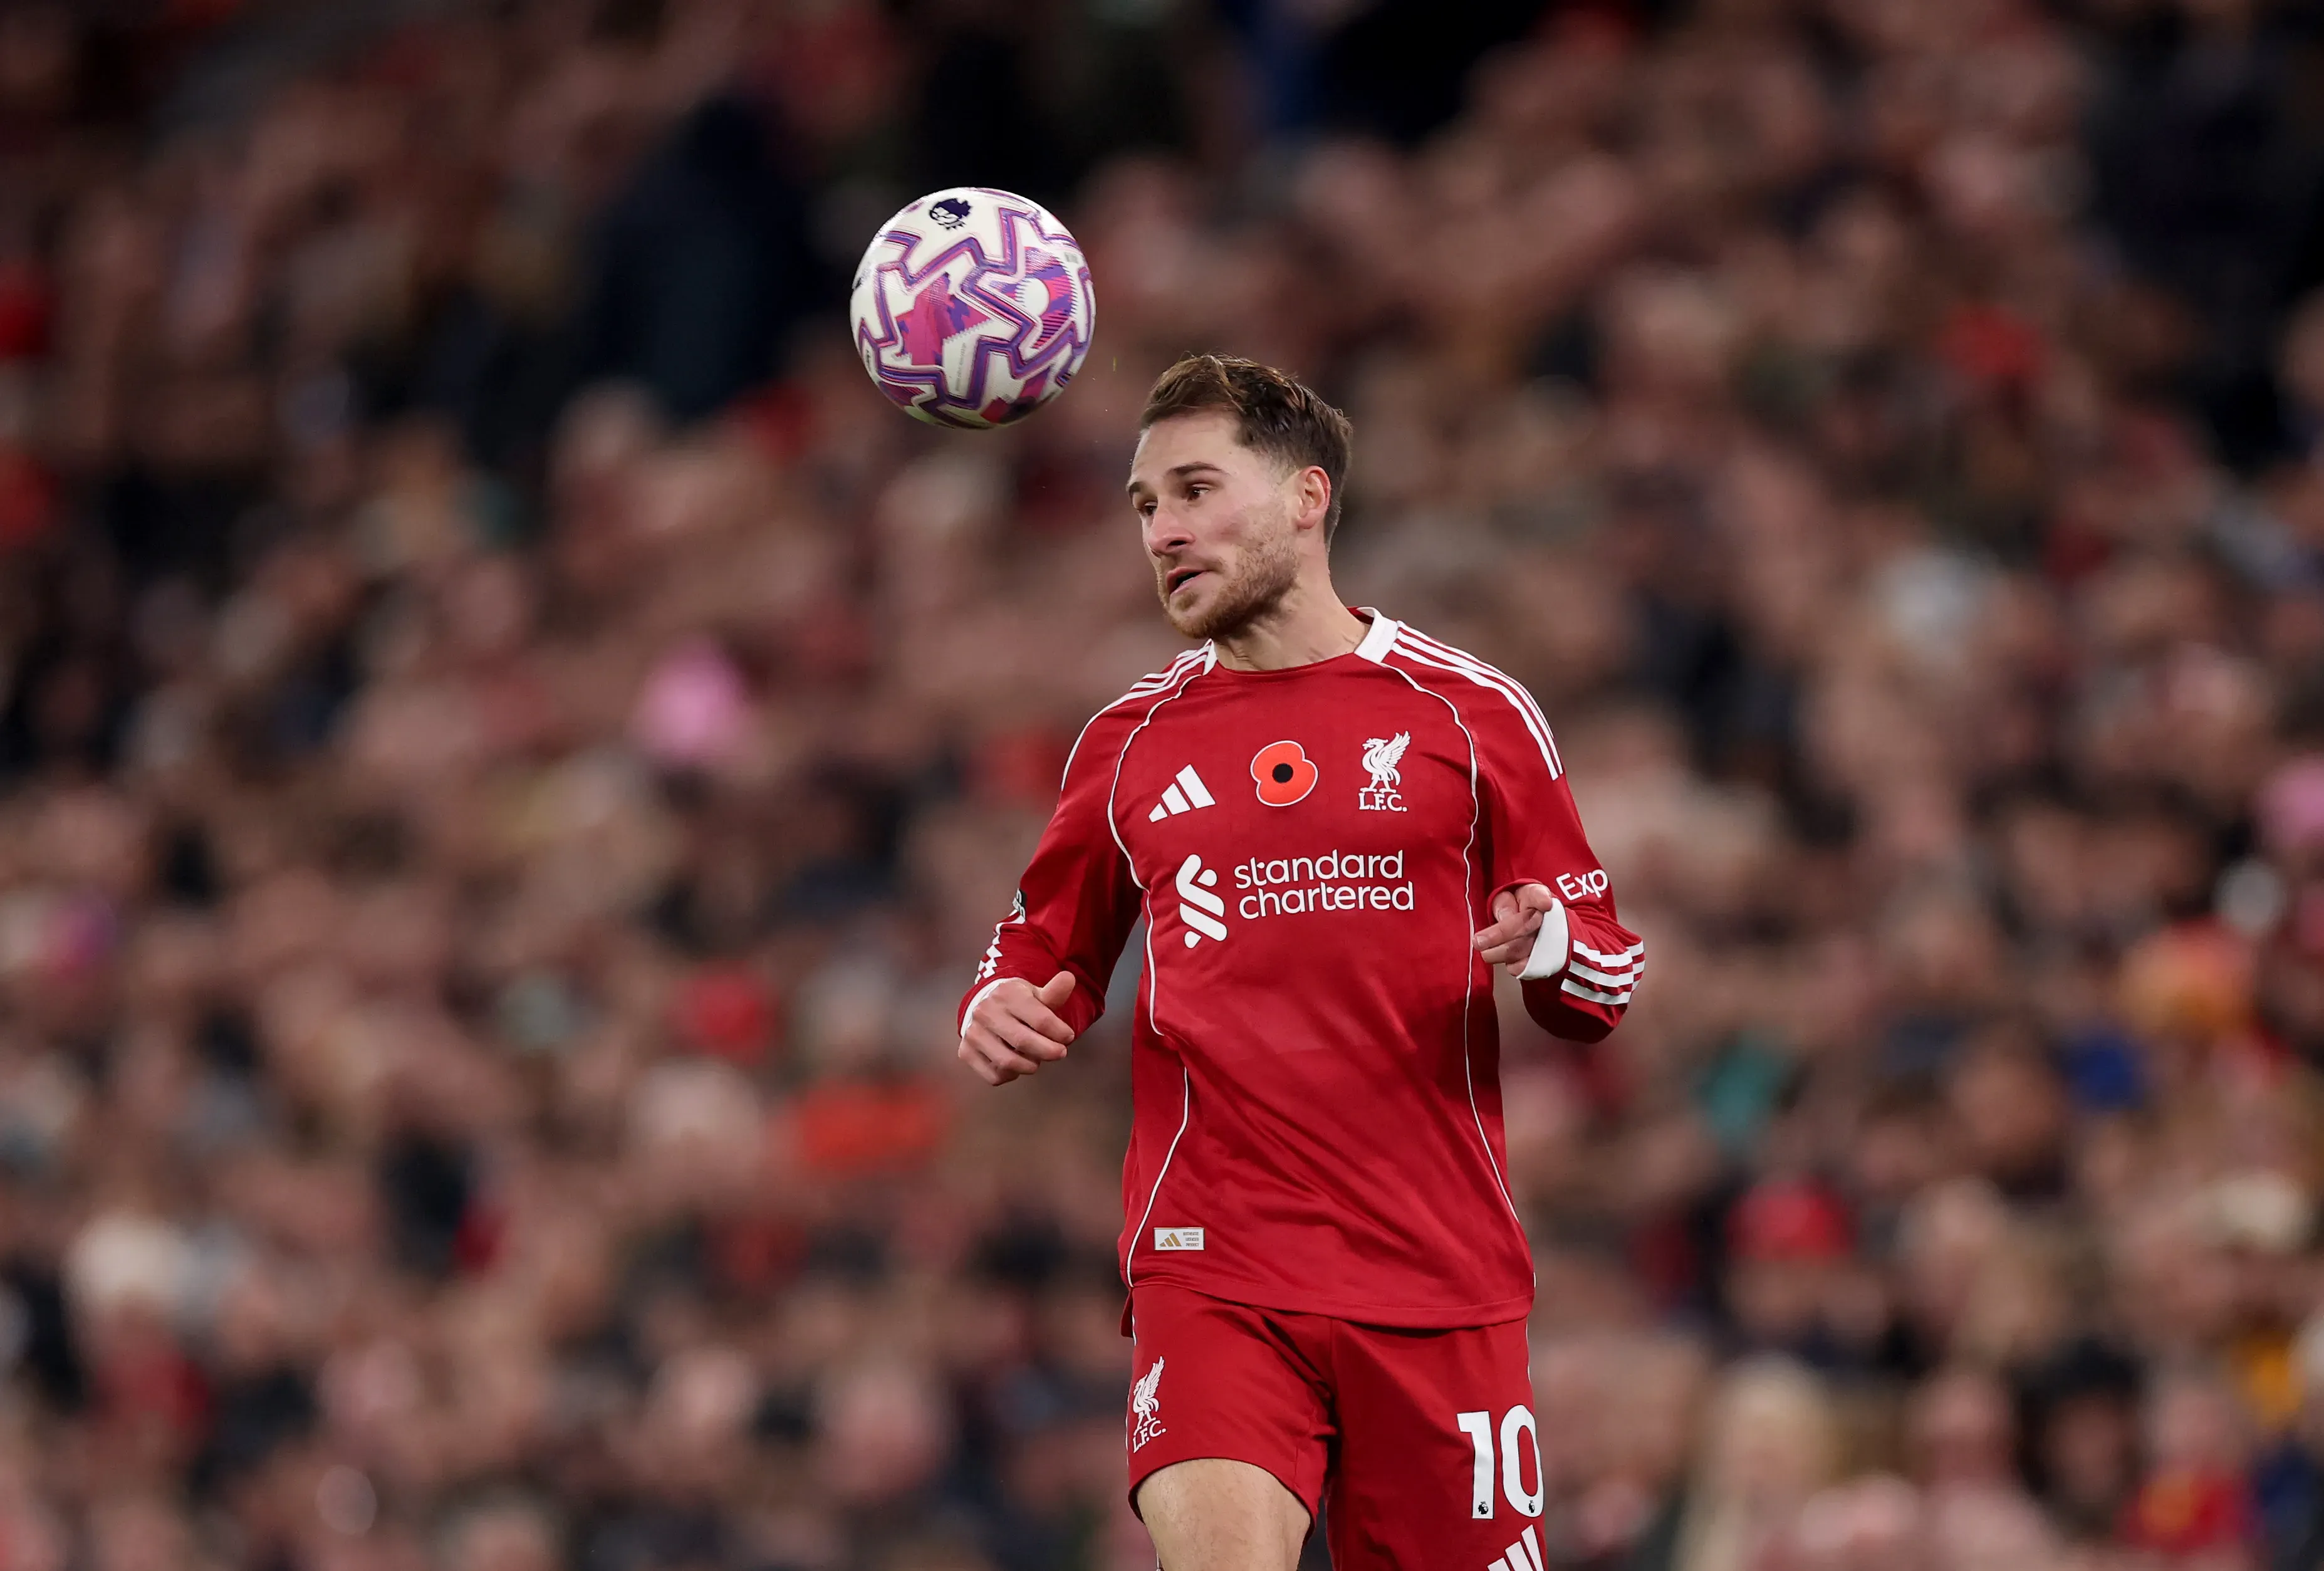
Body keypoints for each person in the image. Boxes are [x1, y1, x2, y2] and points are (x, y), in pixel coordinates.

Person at [954, 355, 1644, 1570]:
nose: (1163, 530)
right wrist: (998, 1000)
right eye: (1144, 506)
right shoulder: (1128, 742)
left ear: (1306, 496)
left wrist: (1544, 942)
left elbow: (1603, 982)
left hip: (1438, 1275)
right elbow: (1035, 946)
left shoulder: (1469, 713)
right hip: (1217, 1266)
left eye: (1195, 490)